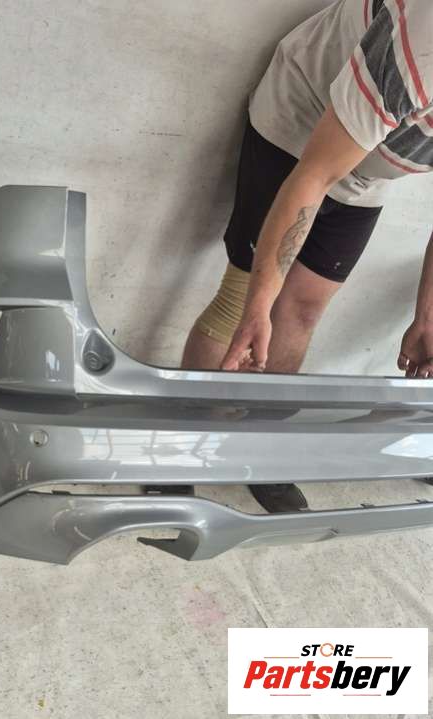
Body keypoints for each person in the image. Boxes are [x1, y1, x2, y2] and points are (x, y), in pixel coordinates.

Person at [181, 0, 433, 513]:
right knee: (242, 300)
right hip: (305, 120)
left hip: (372, 161)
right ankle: (181, 449)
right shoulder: (425, 45)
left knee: (304, 309)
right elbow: (314, 176)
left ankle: (260, 448)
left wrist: (427, 316)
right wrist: (258, 307)